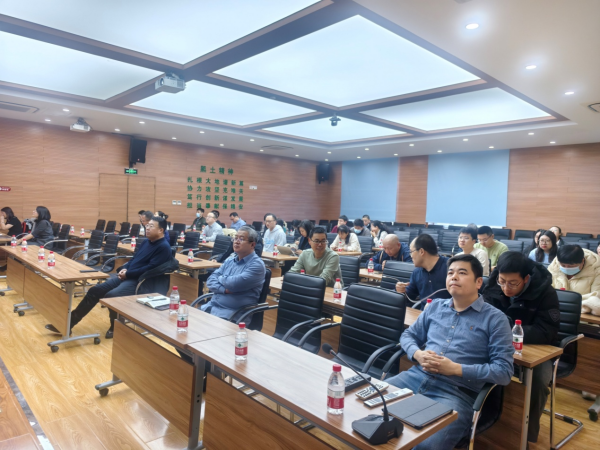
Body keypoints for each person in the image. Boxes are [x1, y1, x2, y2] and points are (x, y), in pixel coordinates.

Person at [385, 254, 514, 450]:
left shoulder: (496, 319)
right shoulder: (435, 307)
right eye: (450, 273)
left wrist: (455, 369)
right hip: (414, 378)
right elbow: (408, 336)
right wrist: (418, 355)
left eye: (462, 273)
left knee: (425, 446)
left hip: (455, 394)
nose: (454, 277)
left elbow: (504, 371)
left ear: (479, 282)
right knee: (367, 408)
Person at [45, 216, 172, 338]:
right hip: (129, 276)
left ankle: (115, 327)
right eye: (147, 225)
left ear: (161, 230)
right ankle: (69, 324)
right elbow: (134, 259)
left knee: (112, 296)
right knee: (95, 290)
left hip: (142, 281)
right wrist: (124, 269)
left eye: (151, 226)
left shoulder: (163, 247)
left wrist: (128, 273)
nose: (147, 228)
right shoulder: (146, 242)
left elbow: (149, 269)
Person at [482, 251, 560, 444]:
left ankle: (527, 435)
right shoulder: (492, 286)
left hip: (533, 348)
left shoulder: (546, 292)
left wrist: (506, 331)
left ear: (526, 278)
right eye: (502, 281)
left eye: (513, 283)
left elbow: (546, 331)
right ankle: (482, 423)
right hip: (495, 344)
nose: (505, 288)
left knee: (539, 380)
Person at [202, 226, 266, 325]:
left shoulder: (257, 265)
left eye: (241, 239)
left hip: (233, 315)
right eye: (235, 238)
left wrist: (220, 278)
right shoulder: (230, 260)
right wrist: (224, 290)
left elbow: (234, 284)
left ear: (252, 244)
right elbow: (210, 281)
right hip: (211, 307)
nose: (236, 241)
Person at [396, 234, 450, 307]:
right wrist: (402, 291)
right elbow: (410, 297)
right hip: (424, 312)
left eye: (411, 252)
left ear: (421, 251)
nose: (410, 255)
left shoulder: (450, 268)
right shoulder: (417, 272)